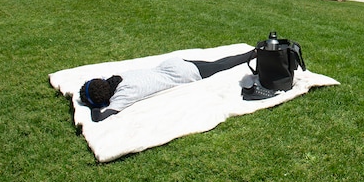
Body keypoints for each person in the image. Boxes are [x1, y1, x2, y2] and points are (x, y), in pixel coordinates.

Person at [80, 49, 257, 122]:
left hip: (181, 73)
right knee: (216, 63)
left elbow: (99, 118)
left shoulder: (123, 94)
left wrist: (91, 106)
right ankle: (252, 53)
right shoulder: (118, 79)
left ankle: (253, 53)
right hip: (171, 64)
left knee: (221, 65)